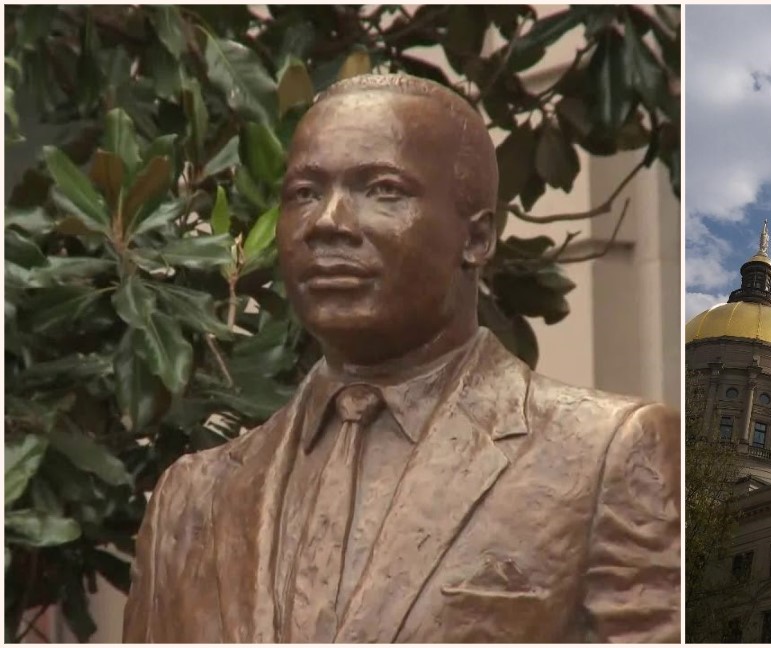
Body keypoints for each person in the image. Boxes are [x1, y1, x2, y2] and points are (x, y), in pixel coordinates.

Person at [123, 74, 680, 643]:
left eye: (383, 190)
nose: (328, 222)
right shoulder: (189, 500)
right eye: (304, 193)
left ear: (478, 237)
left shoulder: (605, 455)